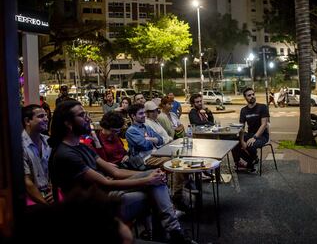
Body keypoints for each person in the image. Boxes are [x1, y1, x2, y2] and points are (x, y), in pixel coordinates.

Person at [48, 100, 194, 243]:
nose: (88, 118)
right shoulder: (66, 154)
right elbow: (105, 183)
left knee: (156, 179)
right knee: (154, 190)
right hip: (93, 206)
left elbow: (115, 173)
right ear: (67, 123)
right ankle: (172, 233)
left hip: (105, 193)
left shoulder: (81, 147)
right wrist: (147, 179)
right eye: (81, 115)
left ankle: (169, 234)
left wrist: (151, 175)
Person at [21, 104, 53, 205]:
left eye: (46, 116)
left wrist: (55, 190)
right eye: (41, 116)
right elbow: (27, 183)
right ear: (27, 121)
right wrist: (46, 205)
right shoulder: (20, 145)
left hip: (50, 195)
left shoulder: (49, 141)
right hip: (30, 198)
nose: (46, 119)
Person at [233, 87, 270, 172]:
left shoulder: (262, 107)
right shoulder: (244, 110)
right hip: (249, 134)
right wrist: (242, 141)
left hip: (262, 136)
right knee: (234, 142)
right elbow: (242, 127)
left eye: (253, 94)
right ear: (245, 97)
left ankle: (250, 163)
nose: (252, 96)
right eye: (249, 95)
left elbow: (264, 124)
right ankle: (251, 159)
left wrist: (254, 137)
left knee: (251, 144)